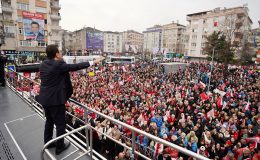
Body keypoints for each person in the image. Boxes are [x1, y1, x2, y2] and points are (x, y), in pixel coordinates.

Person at [38, 44, 104, 155]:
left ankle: (48, 142)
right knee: (60, 124)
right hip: (56, 101)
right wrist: (93, 62)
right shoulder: (59, 64)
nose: (61, 53)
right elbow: (75, 67)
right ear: (56, 54)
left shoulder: (43, 64)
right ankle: (59, 147)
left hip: (44, 99)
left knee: (49, 121)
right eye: (59, 52)